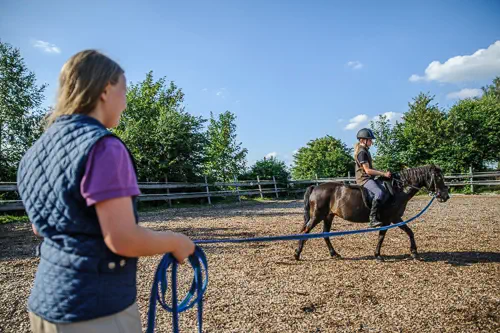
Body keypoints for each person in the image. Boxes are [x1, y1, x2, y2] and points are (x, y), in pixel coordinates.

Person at [17, 50, 195, 333]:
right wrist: (176, 241)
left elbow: (41, 229)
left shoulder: (34, 153)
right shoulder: (103, 147)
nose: (124, 103)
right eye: (123, 92)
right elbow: (123, 239)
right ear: (104, 90)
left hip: (44, 305)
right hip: (94, 310)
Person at [354, 128, 391, 228]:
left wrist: (382, 173)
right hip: (364, 179)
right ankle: (372, 218)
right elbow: (368, 171)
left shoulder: (365, 151)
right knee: (379, 193)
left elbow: (371, 169)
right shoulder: (362, 152)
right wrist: (383, 174)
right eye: (370, 140)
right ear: (363, 140)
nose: (371, 142)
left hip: (368, 178)